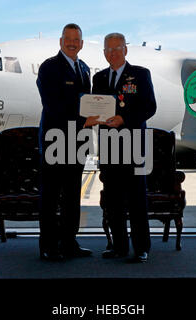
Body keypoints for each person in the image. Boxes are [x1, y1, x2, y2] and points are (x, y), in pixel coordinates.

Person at [90, 33, 157, 262]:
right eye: (108, 49)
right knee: (113, 200)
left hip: (134, 145)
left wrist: (123, 119)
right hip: (109, 147)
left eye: (117, 48)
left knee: (137, 199)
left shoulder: (140, 74)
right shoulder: (98, 78)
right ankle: (118, 246)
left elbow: (149, 107)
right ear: (104, 53)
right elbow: (94, 106)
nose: (112, 53)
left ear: (125, 50)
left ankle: (141, 248)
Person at [36, 23, 96, 261]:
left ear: (81, 44)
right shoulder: (49, 68)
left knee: (72, 195)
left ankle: (70, 243)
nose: (72, 43)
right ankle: (49, 246)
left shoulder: (84, 68)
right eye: (68, 39)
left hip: (78, 141)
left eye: (76, 39)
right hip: (55, 141)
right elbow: (52, 105)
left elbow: (88, 101)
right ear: (61, 42)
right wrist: (85, 118)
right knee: (51, 196)